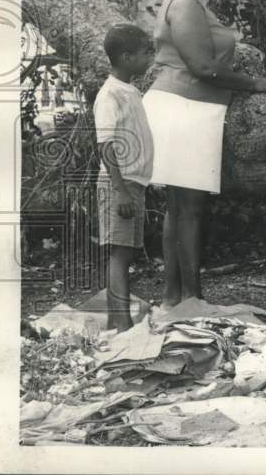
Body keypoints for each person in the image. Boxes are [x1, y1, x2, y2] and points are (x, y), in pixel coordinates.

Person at [143, 0, 266, 308]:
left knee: (181, 208)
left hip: (187, 108)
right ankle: (189, 298)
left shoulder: (185, 1)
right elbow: (201, 66)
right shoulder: (184, 3)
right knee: (188, 209)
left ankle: (178, 297)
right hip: (184, 107)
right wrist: (253, 83)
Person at [94, 24, 155, 332]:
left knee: (126, 251)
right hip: (119, 184)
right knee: (120, 253)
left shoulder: (130, 90)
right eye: (147, 53)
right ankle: (124, 327)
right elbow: (105, 146)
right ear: (127, 57)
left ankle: (115, 321)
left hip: (133, 183)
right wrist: (119, 191)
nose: (150, 59)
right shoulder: (110, 95)